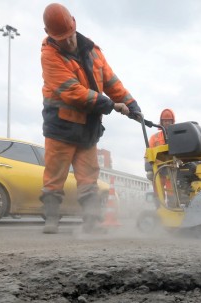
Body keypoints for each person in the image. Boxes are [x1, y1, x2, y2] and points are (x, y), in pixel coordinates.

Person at [40, 3, 141, 234]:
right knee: (54, 177)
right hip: (61, 128)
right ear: (49, 34)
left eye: (69, 35)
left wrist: (132, 104)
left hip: (88, 128)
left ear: (74, 24)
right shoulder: (49, 56)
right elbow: (72, 91)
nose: (67, 41)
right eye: (62, 38)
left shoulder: (93, 50)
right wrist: (110, 105)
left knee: (89, 178)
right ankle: (51, 219)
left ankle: (92, 221)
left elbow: (111, 81)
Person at [148, 109, 176, 206]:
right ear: (161, 122)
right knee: (158, 195)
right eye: (165, 121)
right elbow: (148, 154)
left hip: (172, 170)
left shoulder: (177, 136)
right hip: (158, 171)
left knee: (172, 194)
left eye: (169, 121)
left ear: (173, 122)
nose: (167, 123)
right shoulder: (154, 138)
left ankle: (173, 212)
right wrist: (149, 169)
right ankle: (159, 213)